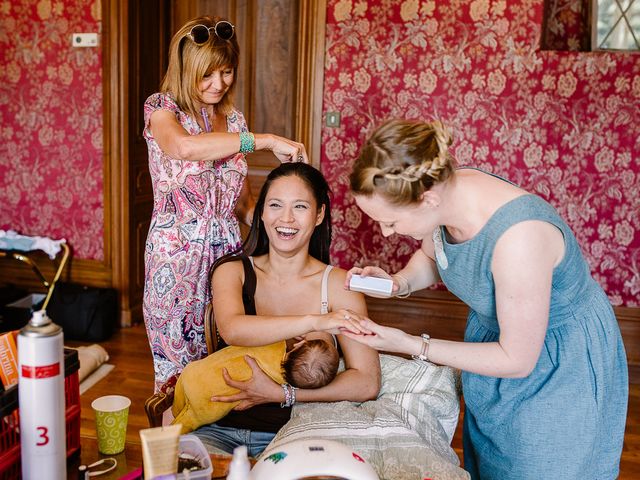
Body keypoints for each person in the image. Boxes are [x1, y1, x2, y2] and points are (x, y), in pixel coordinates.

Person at [341, 119, 628, 479]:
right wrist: (398, 282)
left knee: (542, 466)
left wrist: (409, 343)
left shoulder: (519, 239)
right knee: (496, 464)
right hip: (495, 350)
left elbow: (517, 359)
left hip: (555, 363)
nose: (386, 232)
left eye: (391, 222)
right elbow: (434, 257)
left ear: (427, 198)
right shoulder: (447, 195)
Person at [142, 15, 309, 391]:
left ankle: (219, 448)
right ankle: (177, 448)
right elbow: (183, 147)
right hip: (177, 258)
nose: (218, 84)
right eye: (207, 75)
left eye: (227, 72)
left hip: (228, 257)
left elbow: (241, 201)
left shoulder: (233, 120)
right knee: (177, 372)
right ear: (185, 70)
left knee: (224, 360)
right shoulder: (162, 109)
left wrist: (282, 231)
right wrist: (264, 140)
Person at [192, 162, 380, 457]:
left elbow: (367, 381)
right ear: (262, 212)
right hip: (216, 424)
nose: (286, 218)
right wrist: (314, 321)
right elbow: (233, 329)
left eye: (301, 206)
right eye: (276, 205)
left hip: (296, 431)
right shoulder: (232, 271)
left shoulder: (339, 284)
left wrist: (283, 394)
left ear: (319, 214)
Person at [171, 334, 339, 434]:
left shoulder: (272, 343)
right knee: (187, 420)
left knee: (178, 406)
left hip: (192, 371)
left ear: (300, 343)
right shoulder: (278, 383)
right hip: (208, 402)